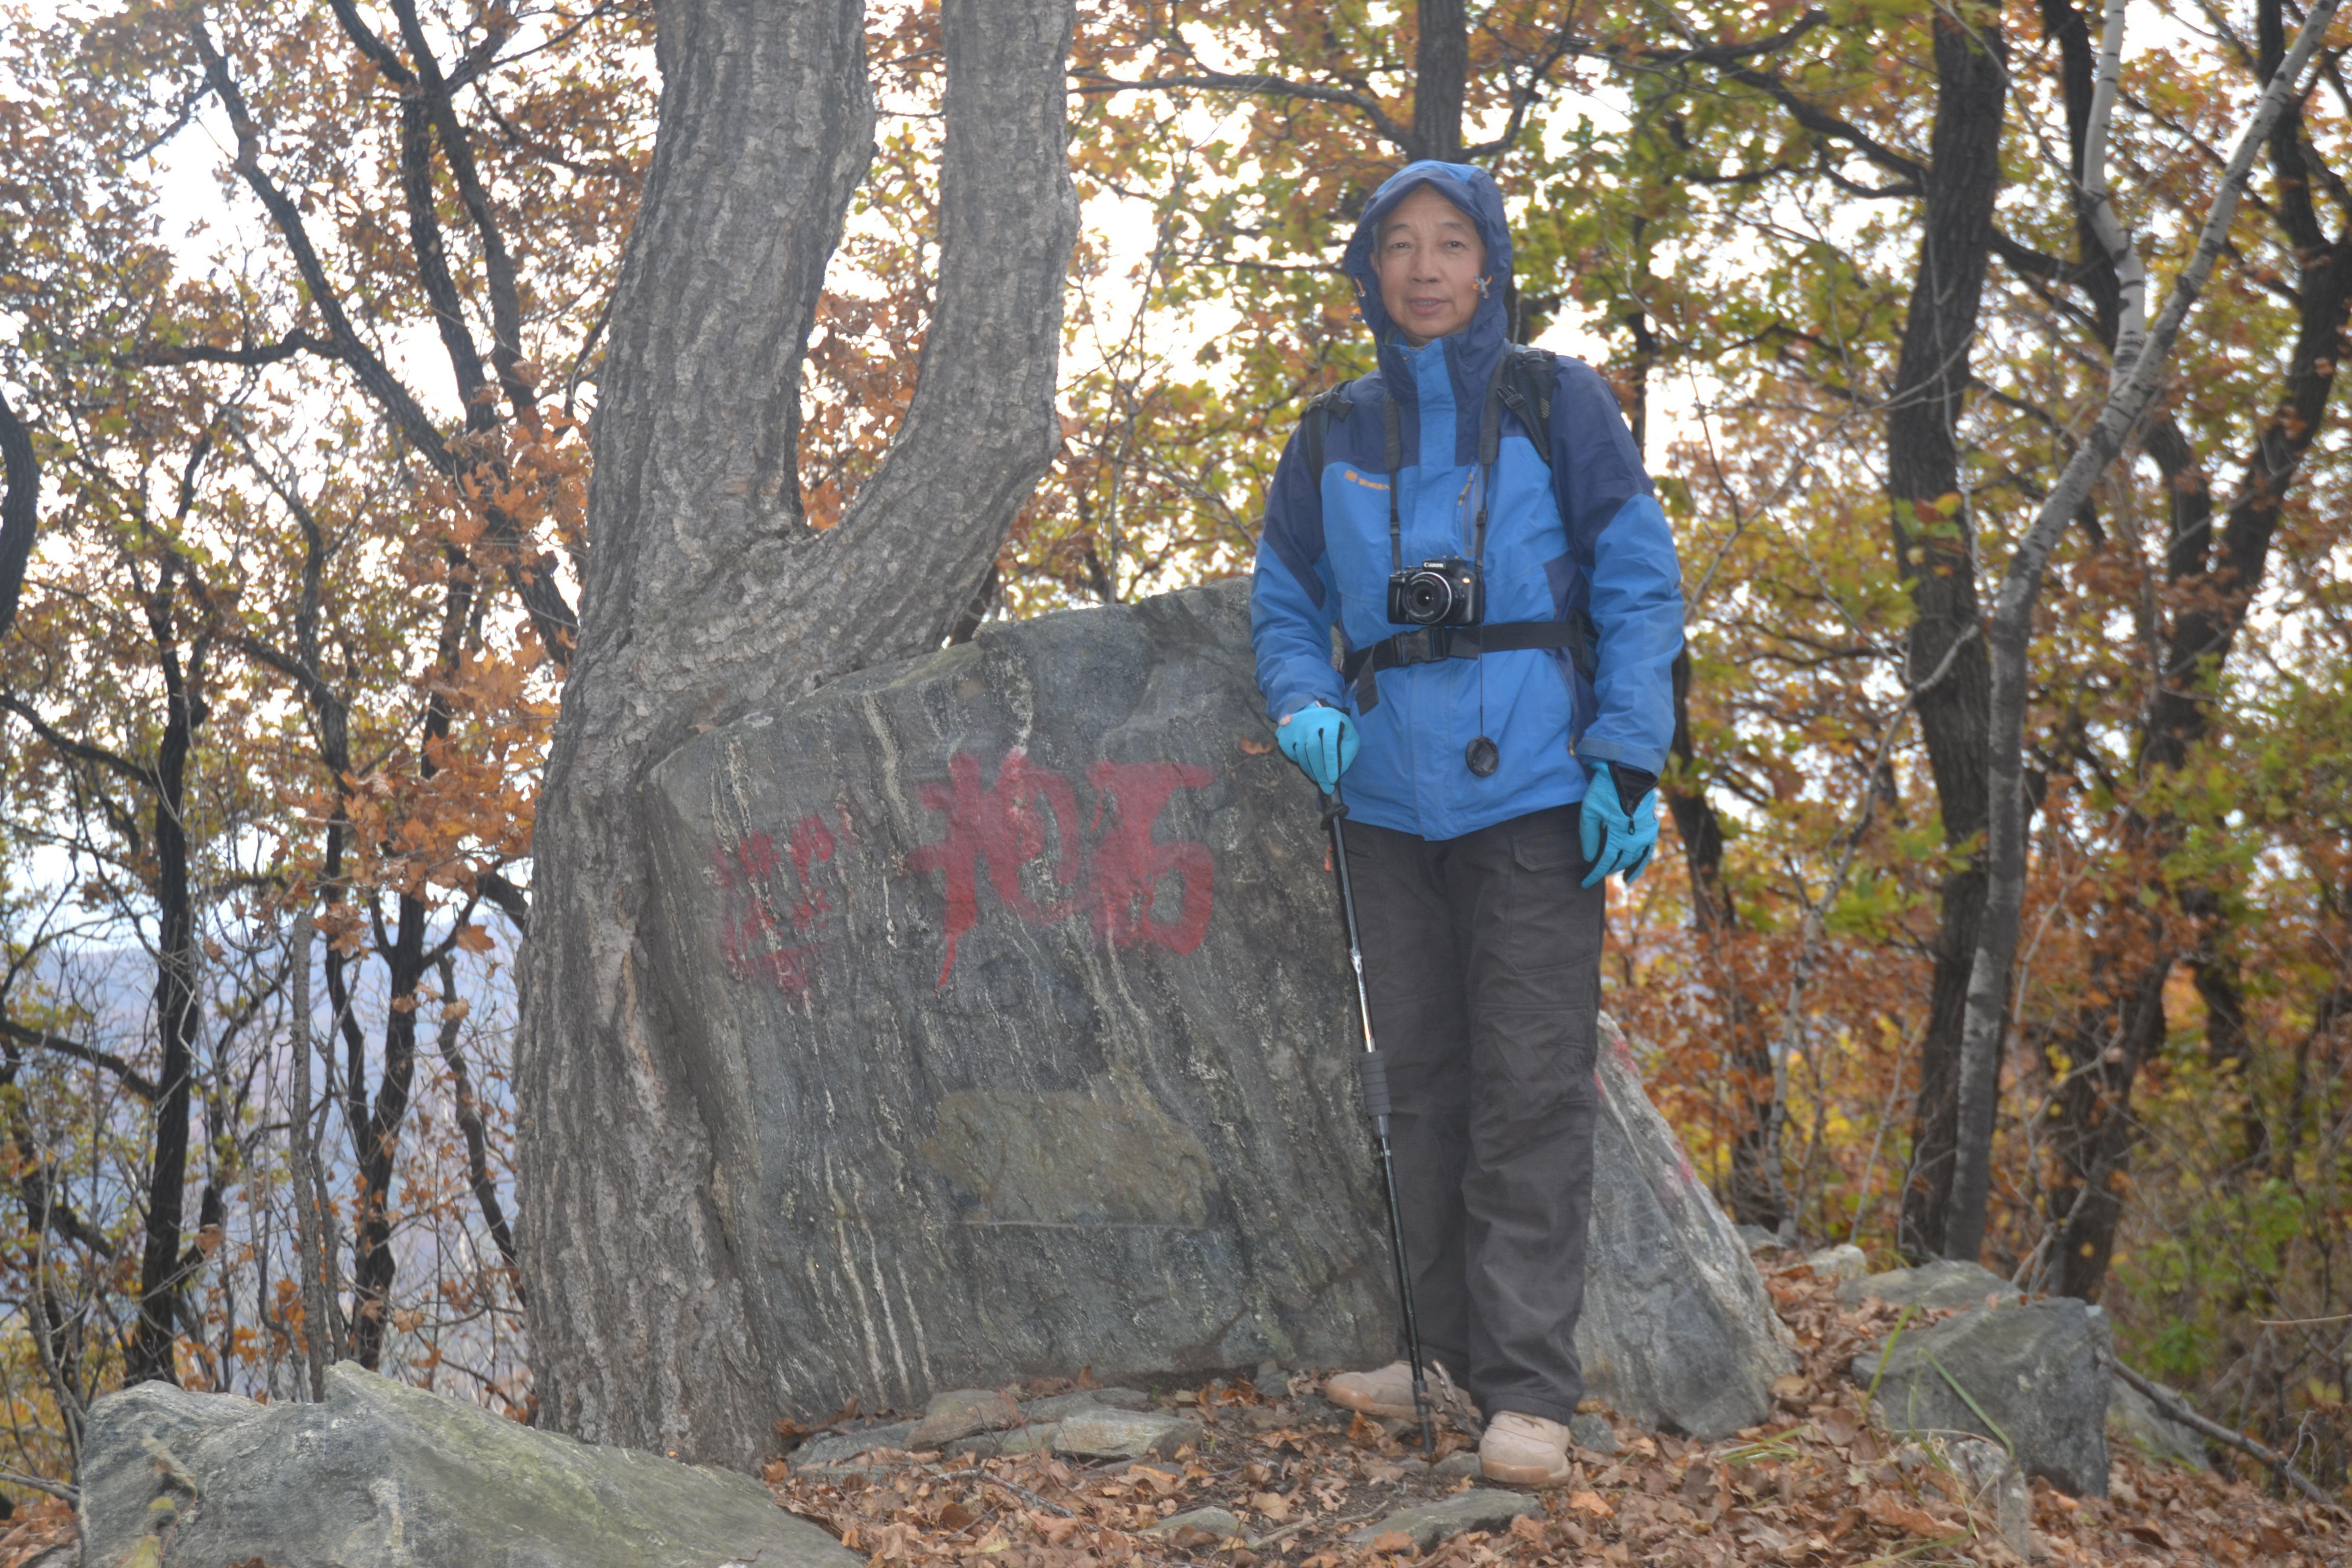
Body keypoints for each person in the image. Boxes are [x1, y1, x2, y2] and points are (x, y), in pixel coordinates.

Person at [1249, 160, 1683, 1485]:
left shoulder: (1559, 404)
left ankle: (1530, 1395)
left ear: (1488, 265)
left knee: (1530, 1087)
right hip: (1381, 808)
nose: (1426, 268)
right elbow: (1284, 594)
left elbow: (1635, 576)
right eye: (1400, 246)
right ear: (1369, 271)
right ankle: (1438, 1361)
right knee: (1421, 1085)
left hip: (1536, 801)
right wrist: (1305, 699)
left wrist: (1626, 756)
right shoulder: (1332, 432)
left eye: (1452, 244)